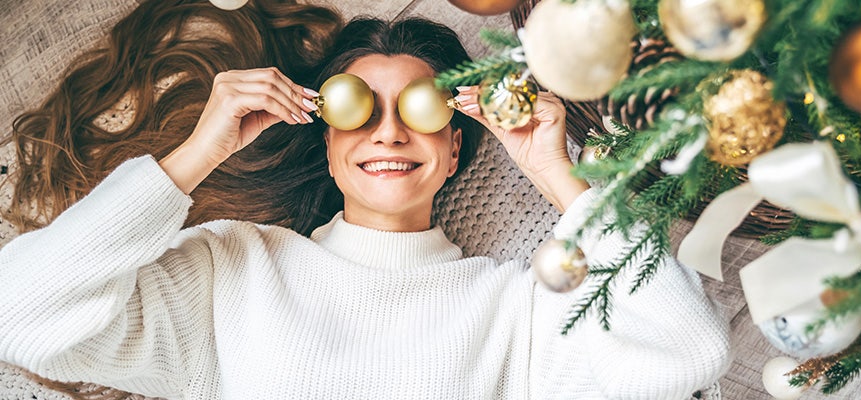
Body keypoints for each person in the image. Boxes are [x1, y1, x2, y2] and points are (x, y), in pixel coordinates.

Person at [0, 3, 731, 400]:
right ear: (325, 139)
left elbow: (685, 353)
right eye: (359, 108)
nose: (387, 131)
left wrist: (557, 177)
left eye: (417, 108)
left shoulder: (520, 309)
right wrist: (197, 154)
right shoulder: (231, 270)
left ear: (454, 146)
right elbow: (19, 315)